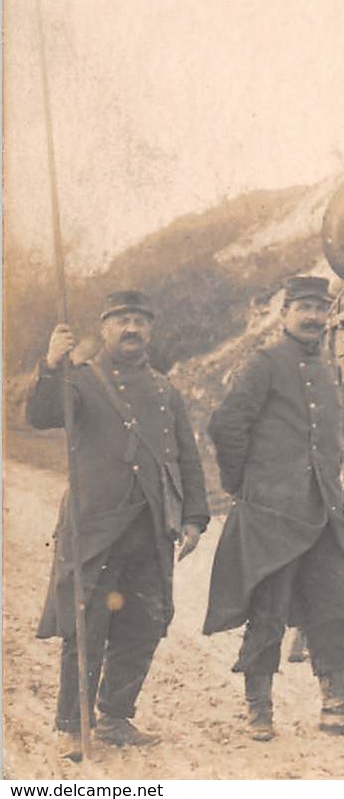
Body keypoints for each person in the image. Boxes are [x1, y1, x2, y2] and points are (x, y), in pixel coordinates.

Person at [26, 292, 209, 760]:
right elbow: (41, 415)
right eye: (122, 320)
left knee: (144, 622)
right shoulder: (81, 381)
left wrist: (192, 518)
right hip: (94, 526)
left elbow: (186, 457)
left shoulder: (166, 392)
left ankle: (114, 716)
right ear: (104, 328)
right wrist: (50, 364)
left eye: (140, 321)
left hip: (149, 527)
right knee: (85, 626)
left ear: (150, 330)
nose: (132, 329)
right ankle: (72, 725)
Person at [203, 276, 344, 741]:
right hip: (271, 515)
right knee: (268, 611)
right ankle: (259, 710)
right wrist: (245, 484)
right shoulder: (263, 363)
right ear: (285, 314)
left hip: (320, 515)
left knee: (334, 606)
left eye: (320, 309)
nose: (314, 317)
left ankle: (336, 702)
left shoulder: (327, 368)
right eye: (304, 308)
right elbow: (226, 425)